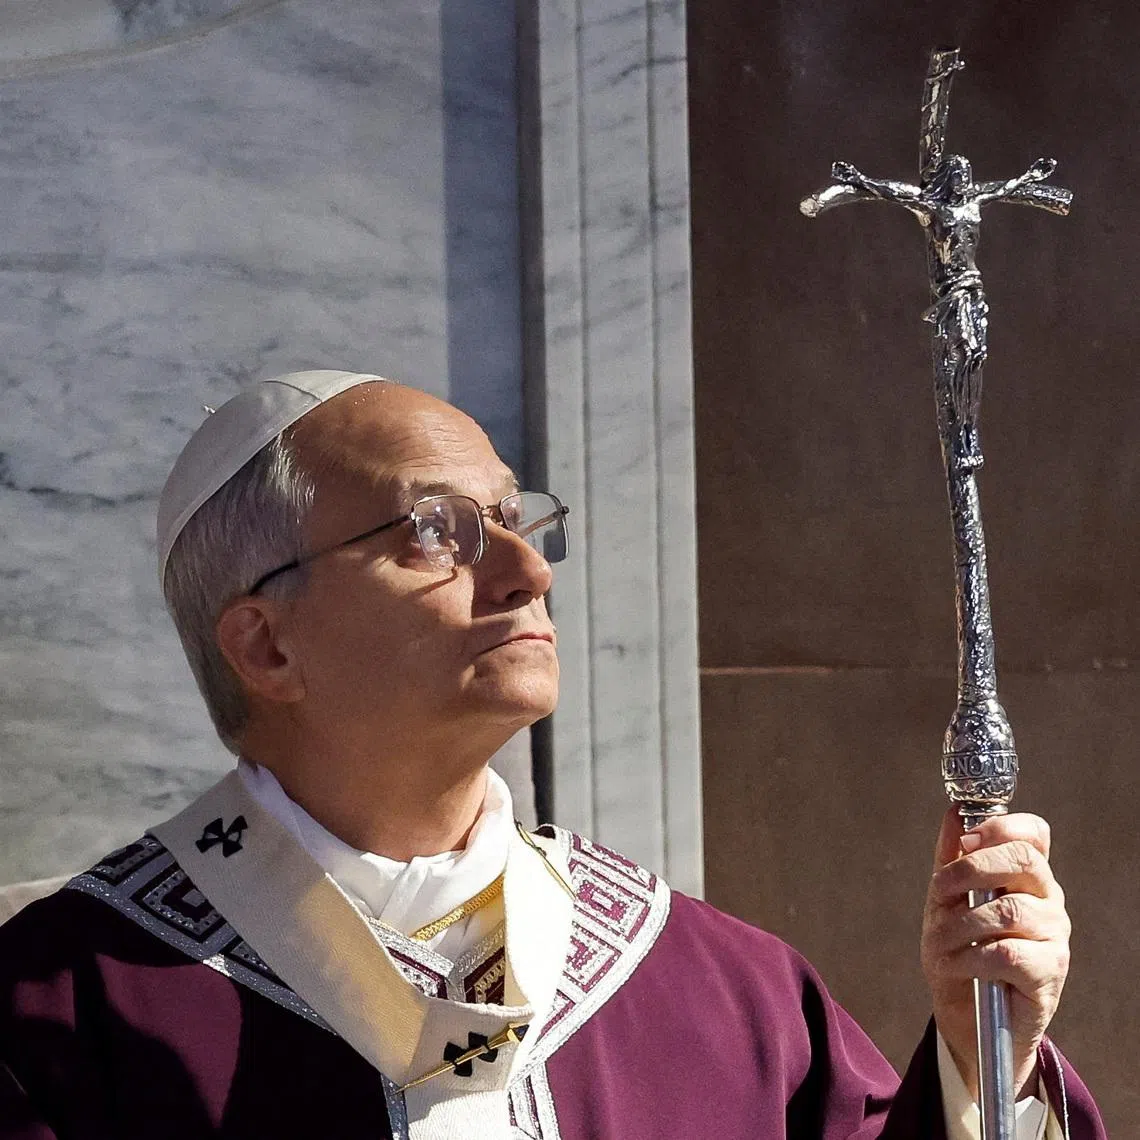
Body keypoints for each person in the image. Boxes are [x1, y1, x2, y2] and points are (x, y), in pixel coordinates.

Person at [0, 371, 1104, 1138]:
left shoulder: (716, 989)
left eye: (517, 519)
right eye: (436, 530)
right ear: (267, 643)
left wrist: (978, 1059)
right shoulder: (61, 1011)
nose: (529, 570)